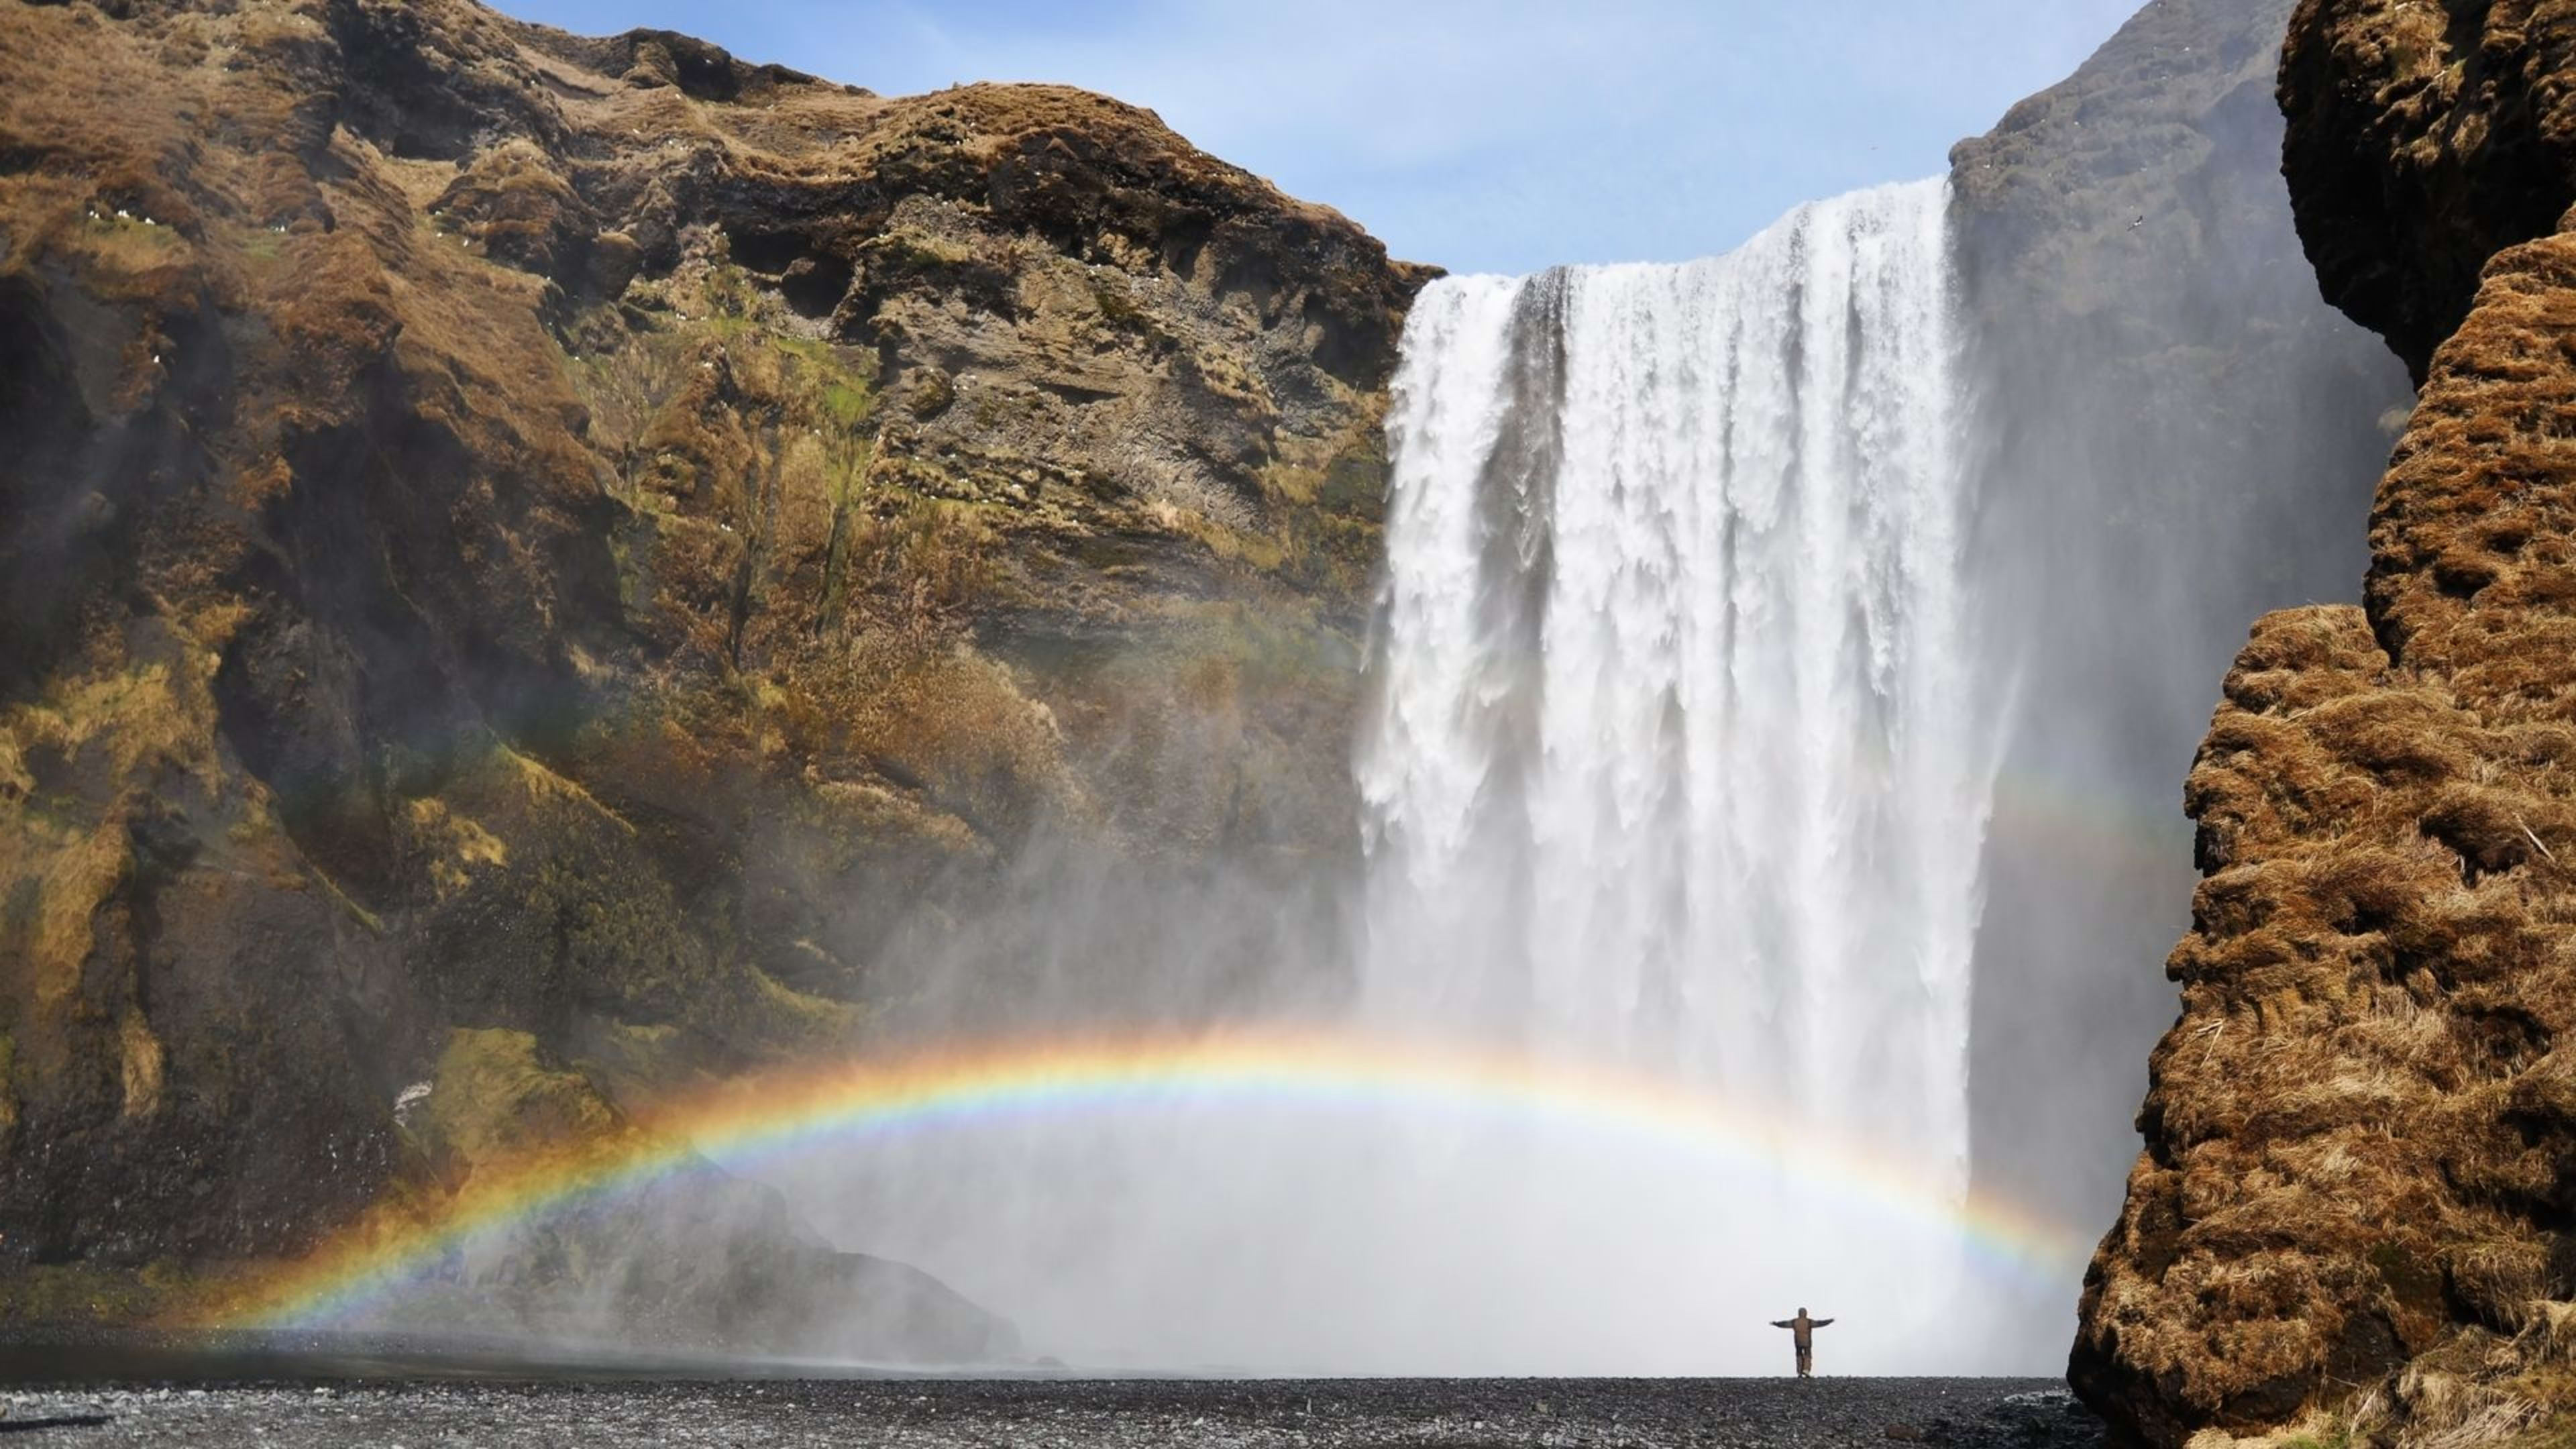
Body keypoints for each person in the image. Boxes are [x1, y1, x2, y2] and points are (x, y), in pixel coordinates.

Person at [1769, 1307, 1835, 1377]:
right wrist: (1829, 1321)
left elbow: (1784, 1324)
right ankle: (1806, 1370)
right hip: (1807, 1342)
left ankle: (1799, 1372)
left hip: (1798, 1342)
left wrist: (1776, 1324)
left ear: (1799, 1313)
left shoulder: (1794, 1322)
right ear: (1806, 1313)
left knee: (1799, 1356)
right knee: (1808, 1356)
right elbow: (1819, 1323)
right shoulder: (1809, 1322)